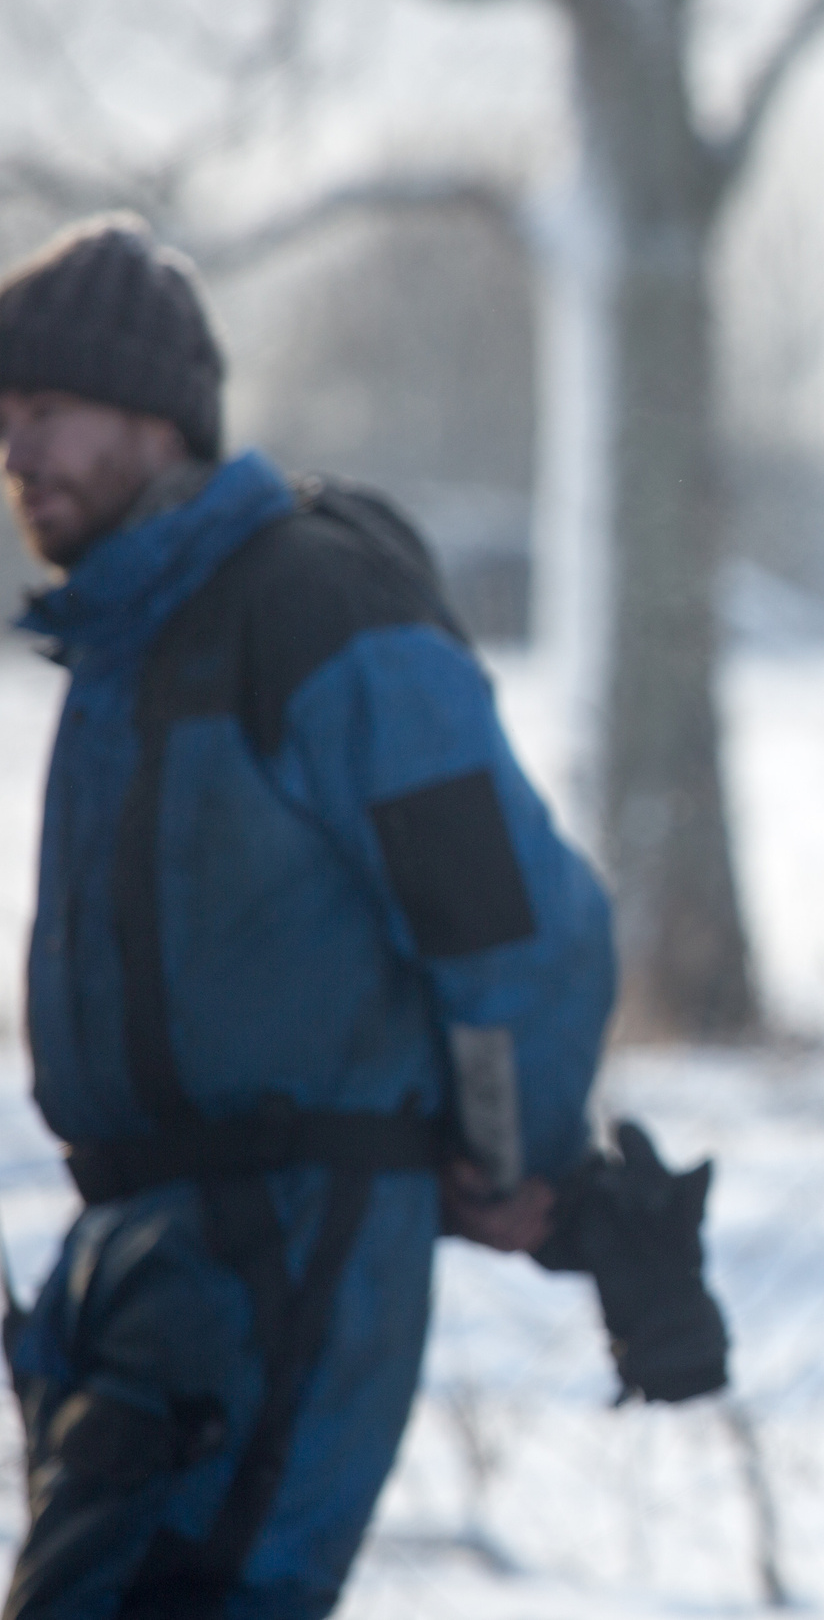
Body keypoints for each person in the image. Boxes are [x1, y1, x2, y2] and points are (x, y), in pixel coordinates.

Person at [0, 215, 613, 1617]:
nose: (16, 452)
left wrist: (514, 1154)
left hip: (287, 1241)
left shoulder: (310, 603)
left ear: (156, 415)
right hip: (139, 1252)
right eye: (2, 420)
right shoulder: (126, 634)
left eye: (48, 411)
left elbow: (511, 921)